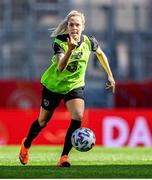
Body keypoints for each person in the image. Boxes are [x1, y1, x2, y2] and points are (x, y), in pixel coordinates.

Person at [19, 10, 115, 167]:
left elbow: (100, 53)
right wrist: (70, 49)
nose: (74, 28)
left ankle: (64, 157)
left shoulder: (88, 42)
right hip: (54, 86)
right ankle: (26, 144)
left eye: (77, 25)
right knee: (43, 122)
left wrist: (110, 75)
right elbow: (61, 67)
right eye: (71, 24)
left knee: (78, 116)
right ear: (67, 26)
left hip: (74, 86)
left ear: (83, 27)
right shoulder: (60, 42)